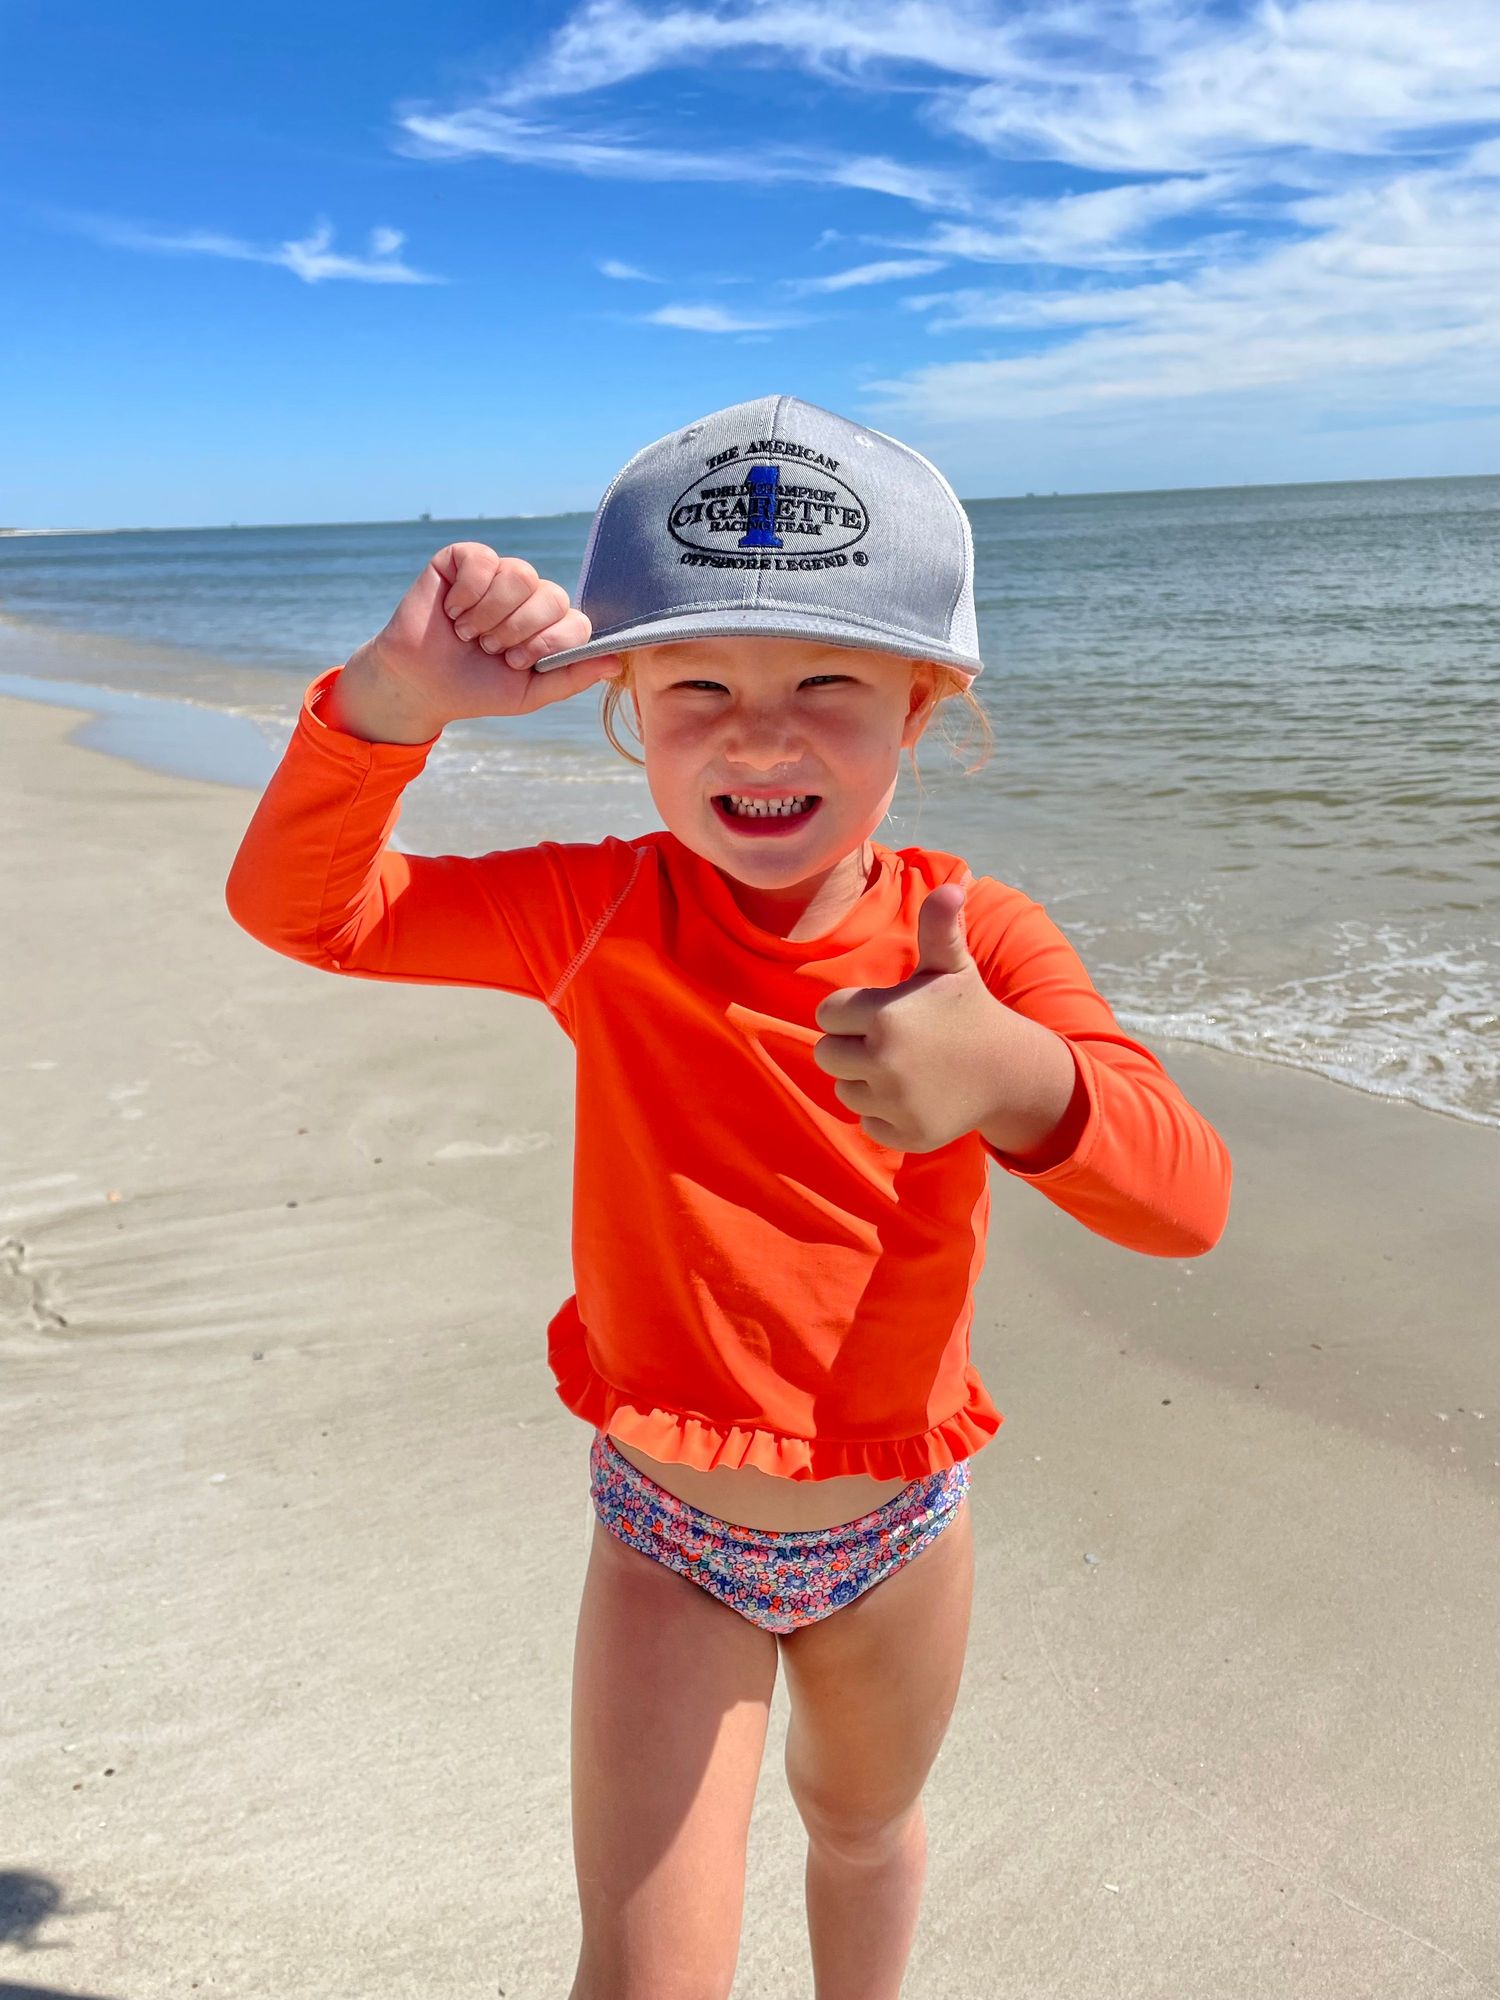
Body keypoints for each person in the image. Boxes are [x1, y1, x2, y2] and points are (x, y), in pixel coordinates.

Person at [225, 394, 1232, 2000]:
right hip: (668, 1536)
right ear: (625, 701)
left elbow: (1188, 1203)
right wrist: (388, 706)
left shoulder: (980, 945)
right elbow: (311, 913)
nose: (760, 737)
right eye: (698, 685)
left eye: (828, 682)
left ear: (924, 704)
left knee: (862, 1833)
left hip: (898, 1529)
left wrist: (1020, 1079)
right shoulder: (600, 911)